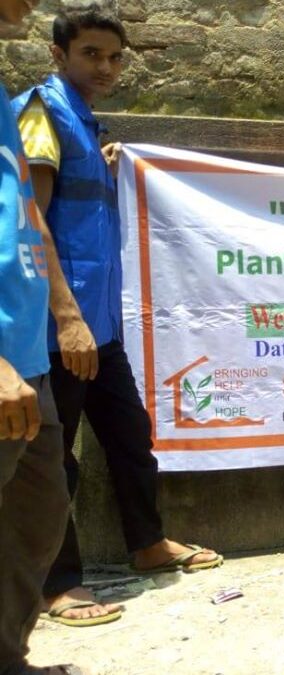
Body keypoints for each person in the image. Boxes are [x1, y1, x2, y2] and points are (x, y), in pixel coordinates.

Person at [12, 7, 221, 628]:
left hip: (100, 324)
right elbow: (32, 219)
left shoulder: (79, 119)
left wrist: (101, 160)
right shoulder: (40, 114)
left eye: (114, 56)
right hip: (60, 328)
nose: (104, 67)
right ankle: (56, 584)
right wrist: (67, 318)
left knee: (131, 437)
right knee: (55, 463)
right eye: (90, 55)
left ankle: (146, 543)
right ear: (59, 55)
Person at [0, 1, 87, 671]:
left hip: (27, 353)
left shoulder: (4, 99)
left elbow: (27, 213)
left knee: (38, 513)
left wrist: (64, 310)